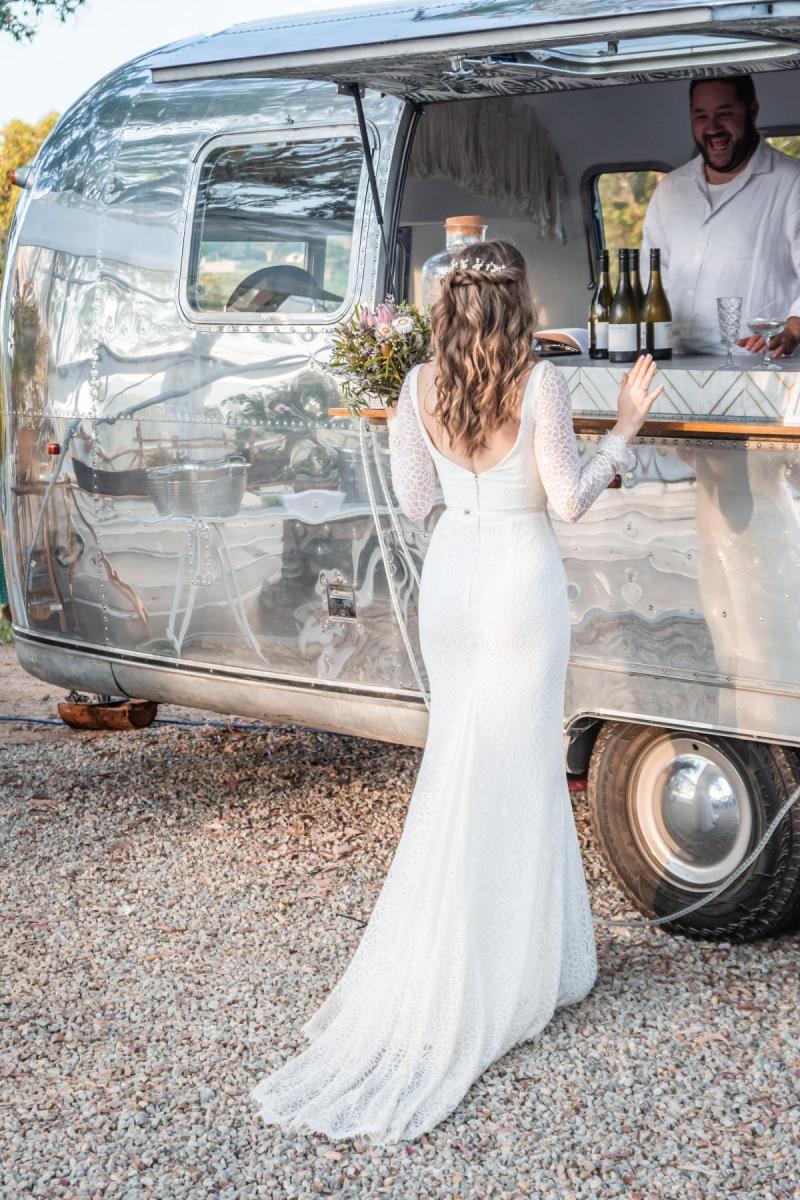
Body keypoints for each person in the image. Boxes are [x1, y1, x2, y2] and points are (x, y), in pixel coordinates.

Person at [248, 241, 662, 1143]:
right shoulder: (540, 381)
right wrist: (624, 430)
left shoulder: (417, 387)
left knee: (459, 768)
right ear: (518, 300)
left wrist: (459, 512)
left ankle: (466, 960)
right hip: (519, 584)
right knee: (517, 773)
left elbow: (409, 498)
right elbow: (568, 500)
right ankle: (517, 974)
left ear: (447, 305)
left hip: (454, 582)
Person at [641, 75, 800, 357]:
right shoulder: (671, 188)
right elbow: (651, 275)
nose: (712, 127)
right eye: (700, 116)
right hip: (676, 362)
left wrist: (794, 329)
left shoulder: (792, 182)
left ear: (752, 111)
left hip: (758, 365)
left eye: (724, 114)